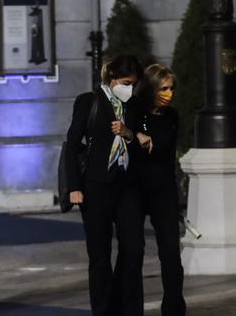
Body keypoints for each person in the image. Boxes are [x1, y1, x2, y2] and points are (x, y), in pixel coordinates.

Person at [63, 55, 145, 316]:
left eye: (133, 83)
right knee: (100, 256)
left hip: (127, 185)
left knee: (134, 248)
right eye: (125, 82)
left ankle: (129, 308)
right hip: (95, 186)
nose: (129, 88)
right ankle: (104, 310)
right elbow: (72, 145)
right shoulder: (89, 101)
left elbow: (140, 142)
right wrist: (73, 186)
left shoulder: (132, 105)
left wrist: (129, 133)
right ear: (112, 79)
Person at [131, 64, 185, 316]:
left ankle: (174, 309)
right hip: (136, 188)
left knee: (171, 253)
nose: (169, 93)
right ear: (151, 88)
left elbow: (165, 150)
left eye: (172, 88)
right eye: (163, 88)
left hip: (163, 188)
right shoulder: (135, 113)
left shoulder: (171, 116)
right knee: (133, 250)